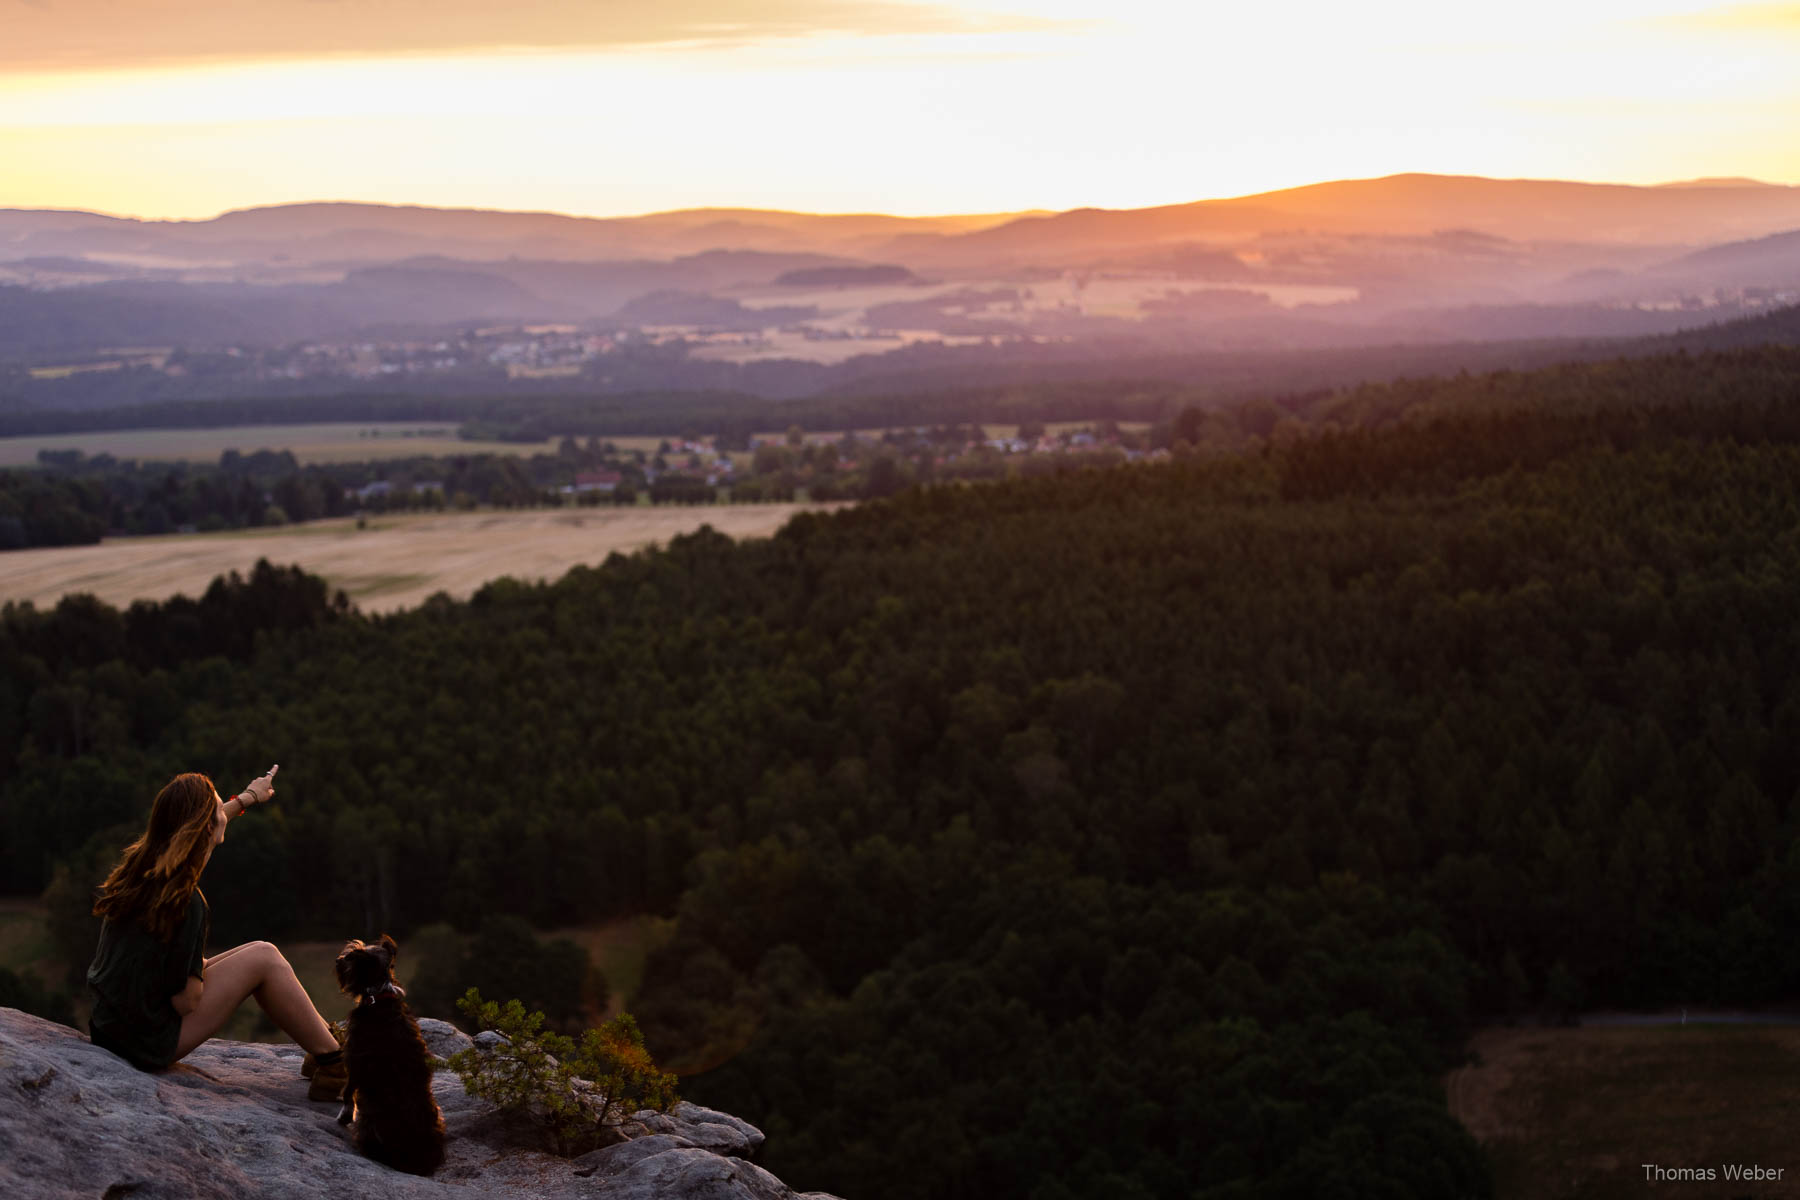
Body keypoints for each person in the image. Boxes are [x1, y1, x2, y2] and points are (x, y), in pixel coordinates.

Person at [86, 768, 348, 1100]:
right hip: (146, 1042)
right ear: (209, 828)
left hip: (109, 1029)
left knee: (254, 950)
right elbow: (185, 1001)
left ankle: (321, 1038)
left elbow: (208, 818)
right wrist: (199, 972)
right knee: (264, 958)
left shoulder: (141, 867)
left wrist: (249, 797)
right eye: (216, 806)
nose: (223, 809)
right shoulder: (185, 900)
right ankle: (335, 1061)